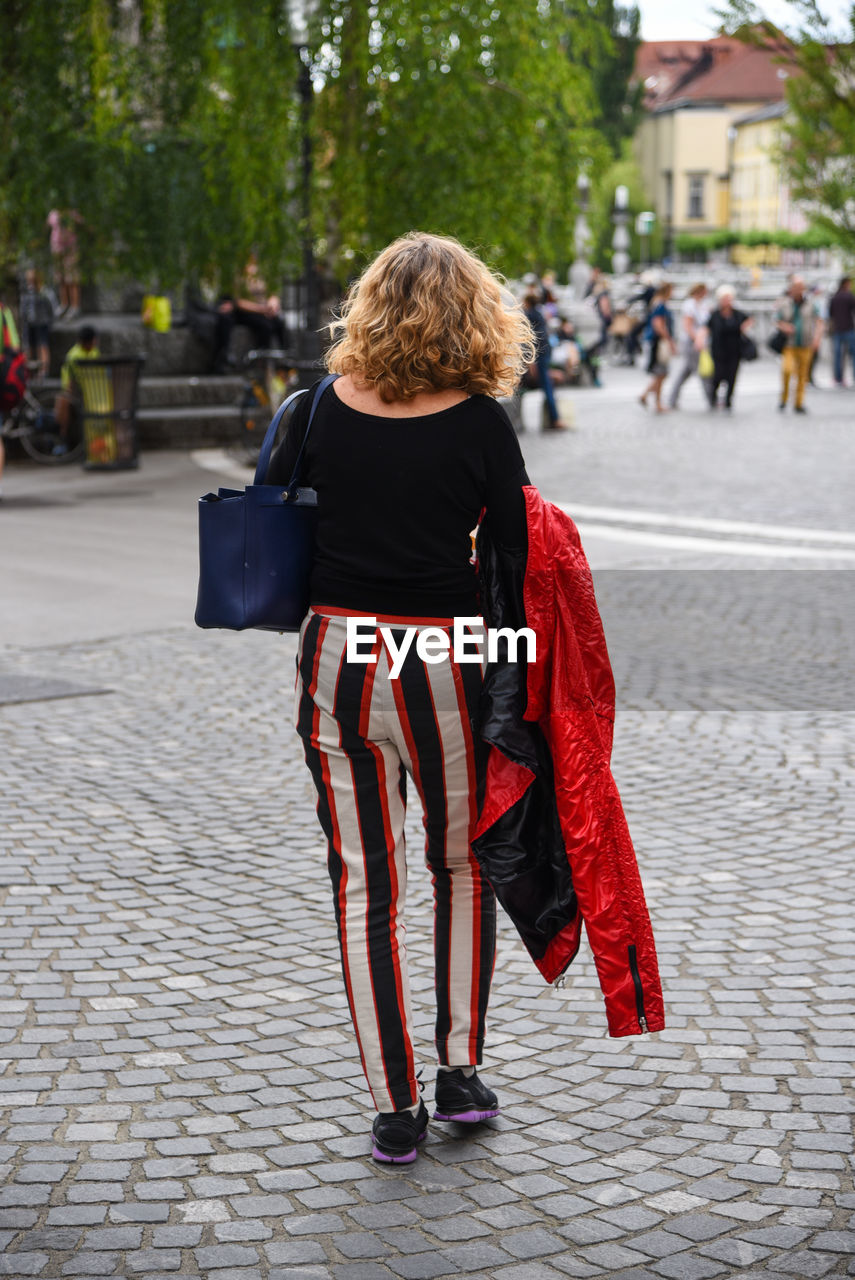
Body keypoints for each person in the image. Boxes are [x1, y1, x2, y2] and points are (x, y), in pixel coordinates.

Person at [266, 232, 535, 1164]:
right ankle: (459, 1070)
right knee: (462, 864)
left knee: (362, 882)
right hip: (440, 656)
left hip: (336, 654)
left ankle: (393, 1103)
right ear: (474, 312)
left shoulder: (321, 410)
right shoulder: (479, 423)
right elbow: (515, 556)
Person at [774, 275, 824, 414]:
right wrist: (785, 327)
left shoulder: (811, 304)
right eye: (795, 287)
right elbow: (776, 320)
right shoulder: (785, 303)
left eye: (800, 287)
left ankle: (799, 402)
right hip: (789, 344)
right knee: (787, 370)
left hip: (806, 343)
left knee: (803, 375)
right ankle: (783, 398)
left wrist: (817, 339)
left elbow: (819, 322)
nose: (798, 290)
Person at [522, 290, 569, 430]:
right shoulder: (540, 313)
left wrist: (530, 362)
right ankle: (555, 418)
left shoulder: (529, 315)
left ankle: (555, 419)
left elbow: (528, 340)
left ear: (527, 302)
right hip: (545, 352)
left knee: (547, 387)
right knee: (548, 386)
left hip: (539, 355)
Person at [706, 285, 753, 412]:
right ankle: (714, 398)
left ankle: (728, 401)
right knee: (718, 375)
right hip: (719, 350)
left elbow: (750, 319)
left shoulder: (737, 314)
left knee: (732, 377)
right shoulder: (715, 314)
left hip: (734, 350)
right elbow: (707, 328)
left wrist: (745, 327)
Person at [55, 324, 100, 445]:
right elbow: (70, 380)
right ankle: (62, 439)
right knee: (63, 401)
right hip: (74, 391)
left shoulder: (94, 352)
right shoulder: (74, 355)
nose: (95, 343)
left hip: (92, 390)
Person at [668, 282, 710, 409]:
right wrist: (697, 339)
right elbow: (688, 325)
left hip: (699, 341)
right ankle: (710, 397)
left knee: (686, 371)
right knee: (703, 371)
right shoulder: (690, 304)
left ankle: (672, 398)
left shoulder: (701, 304)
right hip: (691, 342)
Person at [639, 282, 676, 413]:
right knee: (661, 373)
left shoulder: (656, 303)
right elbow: (658, 324)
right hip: (658, 342)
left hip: (654, 341)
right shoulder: (661, 305)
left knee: (660, 373)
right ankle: (657, 402)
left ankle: (646, 396)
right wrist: (669, 340)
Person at [19, 268, 58, 379]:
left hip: (43, 323)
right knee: (28, 347)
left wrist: (50, 321)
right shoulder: (27, 292)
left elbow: (52, 308)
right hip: (29, 323)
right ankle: (28, 371)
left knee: (42, 346)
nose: (31, 283)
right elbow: (23, 308)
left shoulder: (45, 292)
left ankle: (43, 370)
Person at [46, 209, 82, 317]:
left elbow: (80, 223)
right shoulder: (53, 213)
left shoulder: (71, 212)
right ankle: (64, 304)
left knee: (72, 279)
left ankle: (75, 306)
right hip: (57, 250)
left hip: (70, 250)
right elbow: (48, 226)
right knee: (61, 279)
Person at [828, 276, 855, 387]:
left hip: (837, 329)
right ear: (846, 284)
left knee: (838, 356)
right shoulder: (850, 297)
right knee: (852, 355)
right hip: (849, 329)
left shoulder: (834, 297)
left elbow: (830, 314)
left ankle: (838, 378)